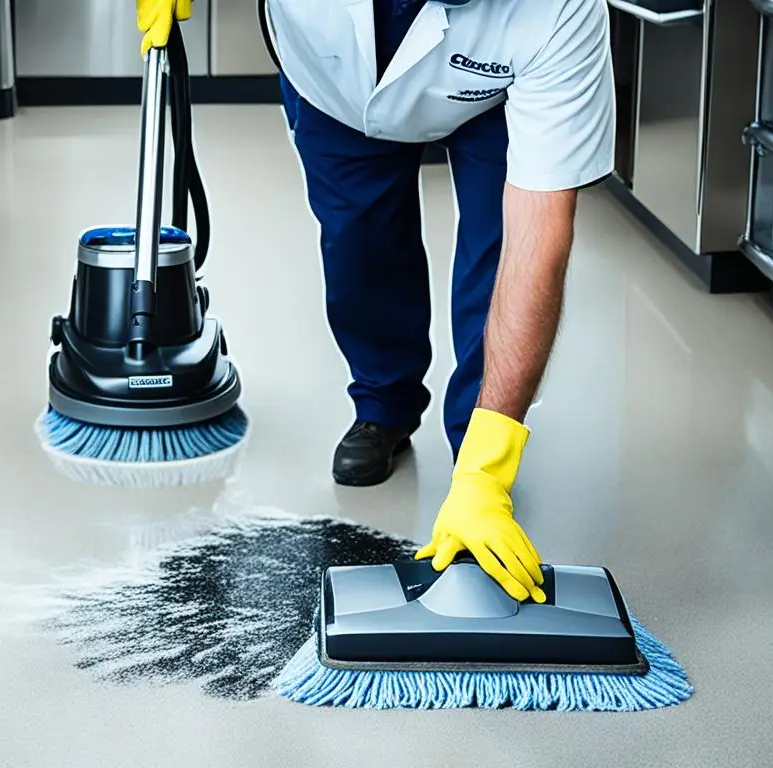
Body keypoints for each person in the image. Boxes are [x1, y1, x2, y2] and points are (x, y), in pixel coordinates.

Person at [137, 0, 614, 603]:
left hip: (494, 96)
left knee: (497, 257)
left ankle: (479, 448)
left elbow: (536, 244)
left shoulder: (561, 11)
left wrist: (486, 471)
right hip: (332, 83)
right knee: (359, 246)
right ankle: (383, 408)